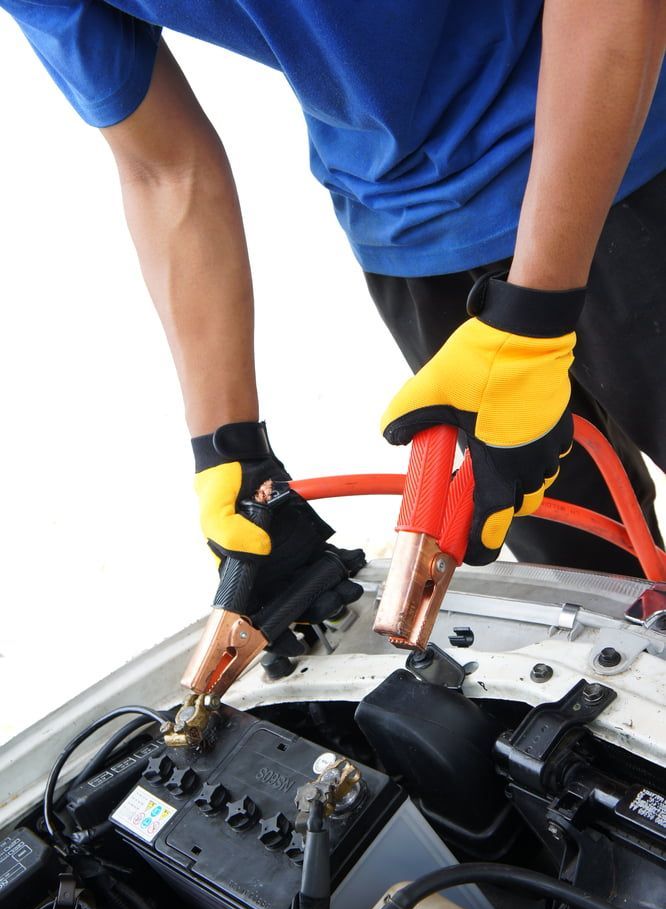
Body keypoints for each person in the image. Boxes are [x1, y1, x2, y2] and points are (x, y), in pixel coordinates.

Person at [1, 2, 665, 615]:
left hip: (629, 137)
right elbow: (163, 169)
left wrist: (533, 315)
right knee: (598, 601)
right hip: (414, 241)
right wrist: (227, 450)